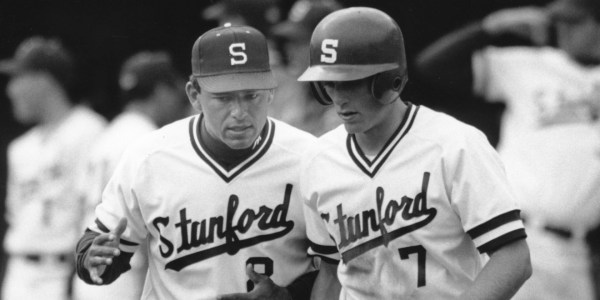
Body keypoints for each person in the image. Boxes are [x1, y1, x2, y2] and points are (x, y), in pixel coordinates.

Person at [297, 7, 532, 299]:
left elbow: (514, 258)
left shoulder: (455, 145)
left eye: (350, 82)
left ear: (389, 79)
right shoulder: (317, 159)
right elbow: (331, 272)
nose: (339, 98)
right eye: (329, 84)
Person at [75, 24, 318, 300]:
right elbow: (95, 246)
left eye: (251, 96)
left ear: (271, 90)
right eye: (223, 98)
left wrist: (290, 294)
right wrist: (93, 258)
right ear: (194, 95)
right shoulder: (150, 157)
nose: (239, 112)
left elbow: (337, 268)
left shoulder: (308, 156)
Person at [415, 0, 600, 299]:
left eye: (575, 22)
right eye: (560, 20)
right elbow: (431, 67)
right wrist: (491, 26)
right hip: (519, 236)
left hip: (578, 253)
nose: (562, 28)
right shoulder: (531, 64)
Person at [71, 51, 190, 300]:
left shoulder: (107, 134)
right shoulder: (150, 141)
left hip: (91, 271)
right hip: (126, 274)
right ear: (160, 91)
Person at [0, 36, 107, 300]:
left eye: (17, 78)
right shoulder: (20, 148)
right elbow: (15, 214)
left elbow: (98, 209)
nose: (10, 89)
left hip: (64, 273)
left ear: (43, 79)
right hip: (19, 273)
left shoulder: (89, 131)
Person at [268, 0, 342, 136]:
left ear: (329, 47)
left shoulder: (346, 108)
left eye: (299, 42)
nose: (289, 50)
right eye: (289, 42)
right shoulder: (294, 91)